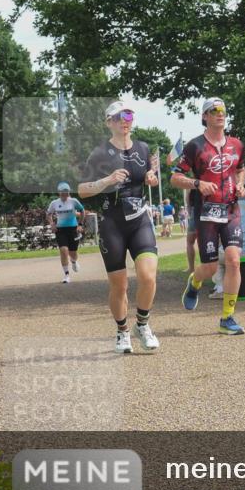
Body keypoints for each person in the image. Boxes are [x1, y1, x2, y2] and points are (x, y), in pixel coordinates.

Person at [78, 101, 161, 354]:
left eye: (129, 115)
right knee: (120, 285)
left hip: (139, 220)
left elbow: (151, 179)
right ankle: (122, 331)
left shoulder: (144, 148)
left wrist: (152, 178)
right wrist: (107, 180)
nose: (126, 120)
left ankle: (143, 325)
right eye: (120, 116)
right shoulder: (99, 154)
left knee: (148, 276)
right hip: (111, 223)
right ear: (109, 122)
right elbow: (82, 190)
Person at [171, 97, 245, 335]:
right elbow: (174, 178)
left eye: (223, 110)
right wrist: (197, 183)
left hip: (232, 209)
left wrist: (241, 185)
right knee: (211, 268)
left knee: (234, 260)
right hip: (207, 213)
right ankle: (194, 282)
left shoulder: (237, 144)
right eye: (214, 110)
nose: (220, 113)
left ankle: (227, 317)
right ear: (205, 116)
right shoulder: (195, 146)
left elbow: (241, 169)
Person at [46, 182, 85, 283]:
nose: (65, 194)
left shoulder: (74, 201)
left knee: (73, 253)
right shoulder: (54, 203)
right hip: (61, 230)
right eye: (63, 192)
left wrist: (80, 224)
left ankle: (74, 261)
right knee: (63, 251)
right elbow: (48, 214)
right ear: (59, 192)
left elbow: (82, 211)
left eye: (67, 192)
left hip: (73, 229)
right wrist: (52, 224)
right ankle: (66, 275)